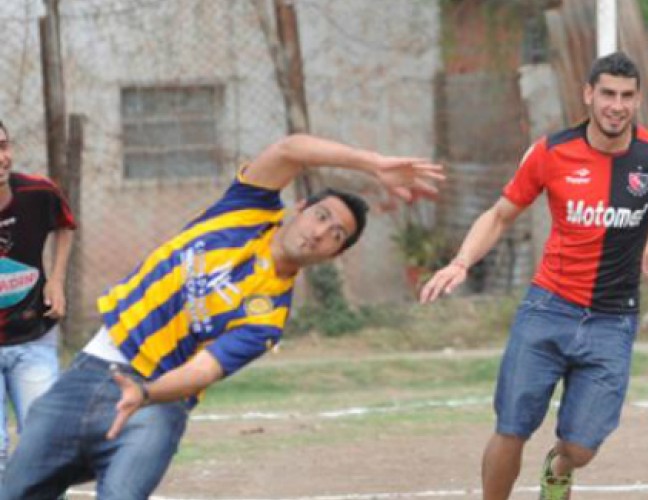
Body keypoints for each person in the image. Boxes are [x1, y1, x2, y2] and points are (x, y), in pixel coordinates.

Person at [0, 134, 444, 499]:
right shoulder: (246, 208)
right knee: (16, 489)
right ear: (301, 207)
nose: (320, 233)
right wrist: (374, 163)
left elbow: (202, 371)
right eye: (322, 216)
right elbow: (290, 150)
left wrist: (146, 393)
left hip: (157, 405)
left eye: (336, 235)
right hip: (94, 367)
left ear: (334, 255)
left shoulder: (268, 318)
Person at [420, 52, 648, 500]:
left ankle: (560, 466)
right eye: (607, 93)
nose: (616, 105)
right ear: (588, 94)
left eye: (627, 96)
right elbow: (500, 215)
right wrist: (460, 262)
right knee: (512, 427)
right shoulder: (551, 152)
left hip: (613, 319)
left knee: (581, 447)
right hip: (548, 308)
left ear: (638, 99)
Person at [0, 121, 76, 484]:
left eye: (2, 146)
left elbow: (64, 224)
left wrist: (57, 280)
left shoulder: (37, 192)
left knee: (43, 442)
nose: (1, 157)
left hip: (33, 335)